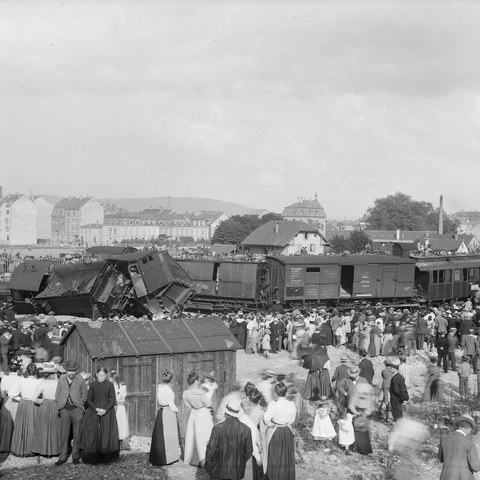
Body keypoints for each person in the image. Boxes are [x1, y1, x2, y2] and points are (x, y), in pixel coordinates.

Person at [79, 366, 120, 464]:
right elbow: (89, 399)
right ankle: (92, 456)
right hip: (94, 411)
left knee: (106, 432)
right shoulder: (93, 384)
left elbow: (113, 399)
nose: (101, 377)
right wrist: (96, 409)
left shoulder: (110, 385)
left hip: (107, 412)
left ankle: (105, 457)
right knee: (92, 432)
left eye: (103, 375)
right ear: (96, 375)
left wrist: (105, 410)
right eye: (99, 375)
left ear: (106, 375)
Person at [204, 399, 253, 480]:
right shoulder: (246, 430)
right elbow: (249, 451)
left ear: (226, 413)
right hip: (236, 472)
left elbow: (211, 449)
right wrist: (240, 461)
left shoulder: (217, 428)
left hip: (218, 471)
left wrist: (208, 465)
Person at [55, 360, 88, 466]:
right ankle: (62, 457)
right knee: (64, 434)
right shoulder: (61, 380)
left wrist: (80, 403)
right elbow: (57, 394)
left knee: (77, 434)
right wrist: (60, 405)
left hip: (77, 409)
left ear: (76, 370)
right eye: (69, 370)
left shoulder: (80, 379)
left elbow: (85, 394)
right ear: (66, 370)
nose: (71, 373)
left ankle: (75, 456)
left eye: (73, 370)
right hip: (64, 409)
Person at [263, 382, 296, 480]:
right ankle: (287, 477)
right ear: (285, 393)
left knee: (275, 456)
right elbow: (292, 419)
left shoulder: (273, 404)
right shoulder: (291, 404)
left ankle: (275, 476)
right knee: (286, 456)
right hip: (287, 431)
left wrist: (270, 424)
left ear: (275, 393)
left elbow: (266, 418)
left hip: (276, 431)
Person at [149, 368, 180, 466]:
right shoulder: (168, 390)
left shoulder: (160, 387)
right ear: (171, 379)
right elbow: (171, 403)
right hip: (168, 411)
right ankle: (168, 458)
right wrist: (176, 411)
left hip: (161, 411)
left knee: (159, 434)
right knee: (168, 435)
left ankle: (157, 457)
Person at [10, 363, 42, 457]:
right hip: (34, 404)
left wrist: (20, 399)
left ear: (27, 371)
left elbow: (11, 393)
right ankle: (32, 449)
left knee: (22, 425)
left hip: (23, 403)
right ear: (36, 372)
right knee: (33, 425)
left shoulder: (21, 381)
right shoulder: (39, 381)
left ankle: (20, 449)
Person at [183, 371, 213, 467]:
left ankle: (191, 458)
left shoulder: (186, 393)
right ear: (195, 381)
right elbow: (208, 404)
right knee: (205, 436)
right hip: (203, 413)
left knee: (192, 436)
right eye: (197, 380)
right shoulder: (200, 392)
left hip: (193, 413)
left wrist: (193, 409)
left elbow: (187, 405)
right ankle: (204, 459)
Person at [31, 363, 61, 457]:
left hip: (45, 405)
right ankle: (55, 450)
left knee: (44, 427)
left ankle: (43, 450)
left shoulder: (42, 383)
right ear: (54, 373)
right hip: (55, 405)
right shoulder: (59, 383)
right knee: (55, 427)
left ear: (45, 374)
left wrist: (41, 401)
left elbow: (33, 398)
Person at [438, 414, 480, 480]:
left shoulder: (444, 439)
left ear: (459, 425)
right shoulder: (469, 443)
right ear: (469, 427)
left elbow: (441, 458)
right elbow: (476, 467)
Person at [0, 360, 21, 453]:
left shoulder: (5, 378)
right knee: (17, 422)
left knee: (6, 423)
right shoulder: (20, 378)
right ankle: (16, 446)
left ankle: (5, 446)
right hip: (17, 400)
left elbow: (3, 393)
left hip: (8, 400)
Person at [109, 370, 129, 446]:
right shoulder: (110, 387)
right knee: (113, 424)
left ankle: (120, 444)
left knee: (121, 425)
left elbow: (122, 399)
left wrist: (116, 400)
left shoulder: (122, 387)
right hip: (112, 407)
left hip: (120, 408)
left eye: (111, 379)